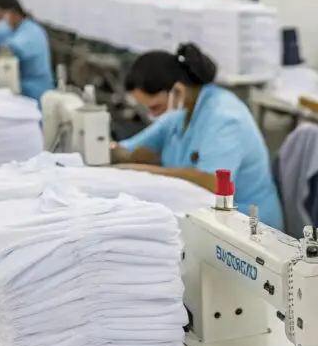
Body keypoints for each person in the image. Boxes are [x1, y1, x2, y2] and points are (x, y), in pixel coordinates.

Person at [111, 43, 283, 230]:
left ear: (177, 91)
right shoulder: (180, 112)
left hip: (248, 225)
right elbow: (130, 151)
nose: (153, 115)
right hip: (203, 215)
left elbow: (212, 182)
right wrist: (108, 150)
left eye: (154, 108)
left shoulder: (224, 116)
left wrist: (138, 171)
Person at [0, 0, 55, 104]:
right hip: (21, 86)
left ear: (13, 12)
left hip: (35, 92)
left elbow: (12, 48)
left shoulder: (32, 31)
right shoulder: (15, 28)